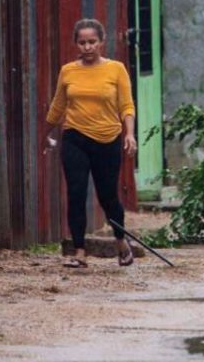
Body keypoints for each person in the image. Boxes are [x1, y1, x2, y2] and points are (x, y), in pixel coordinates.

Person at [42, 18, 137, 268]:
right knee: (75, 192)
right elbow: (58, 105)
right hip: (75, 137)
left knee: (108, 195)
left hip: (108, 139)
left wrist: (129, 134)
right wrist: (46, 133)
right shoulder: (68, 71)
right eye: (82, 42)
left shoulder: (116, 69)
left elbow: (126, 105)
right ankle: (79, 252)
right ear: (76, 43)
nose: (87, 47)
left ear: (101, 42)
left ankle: (120, 241)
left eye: (92, 42)